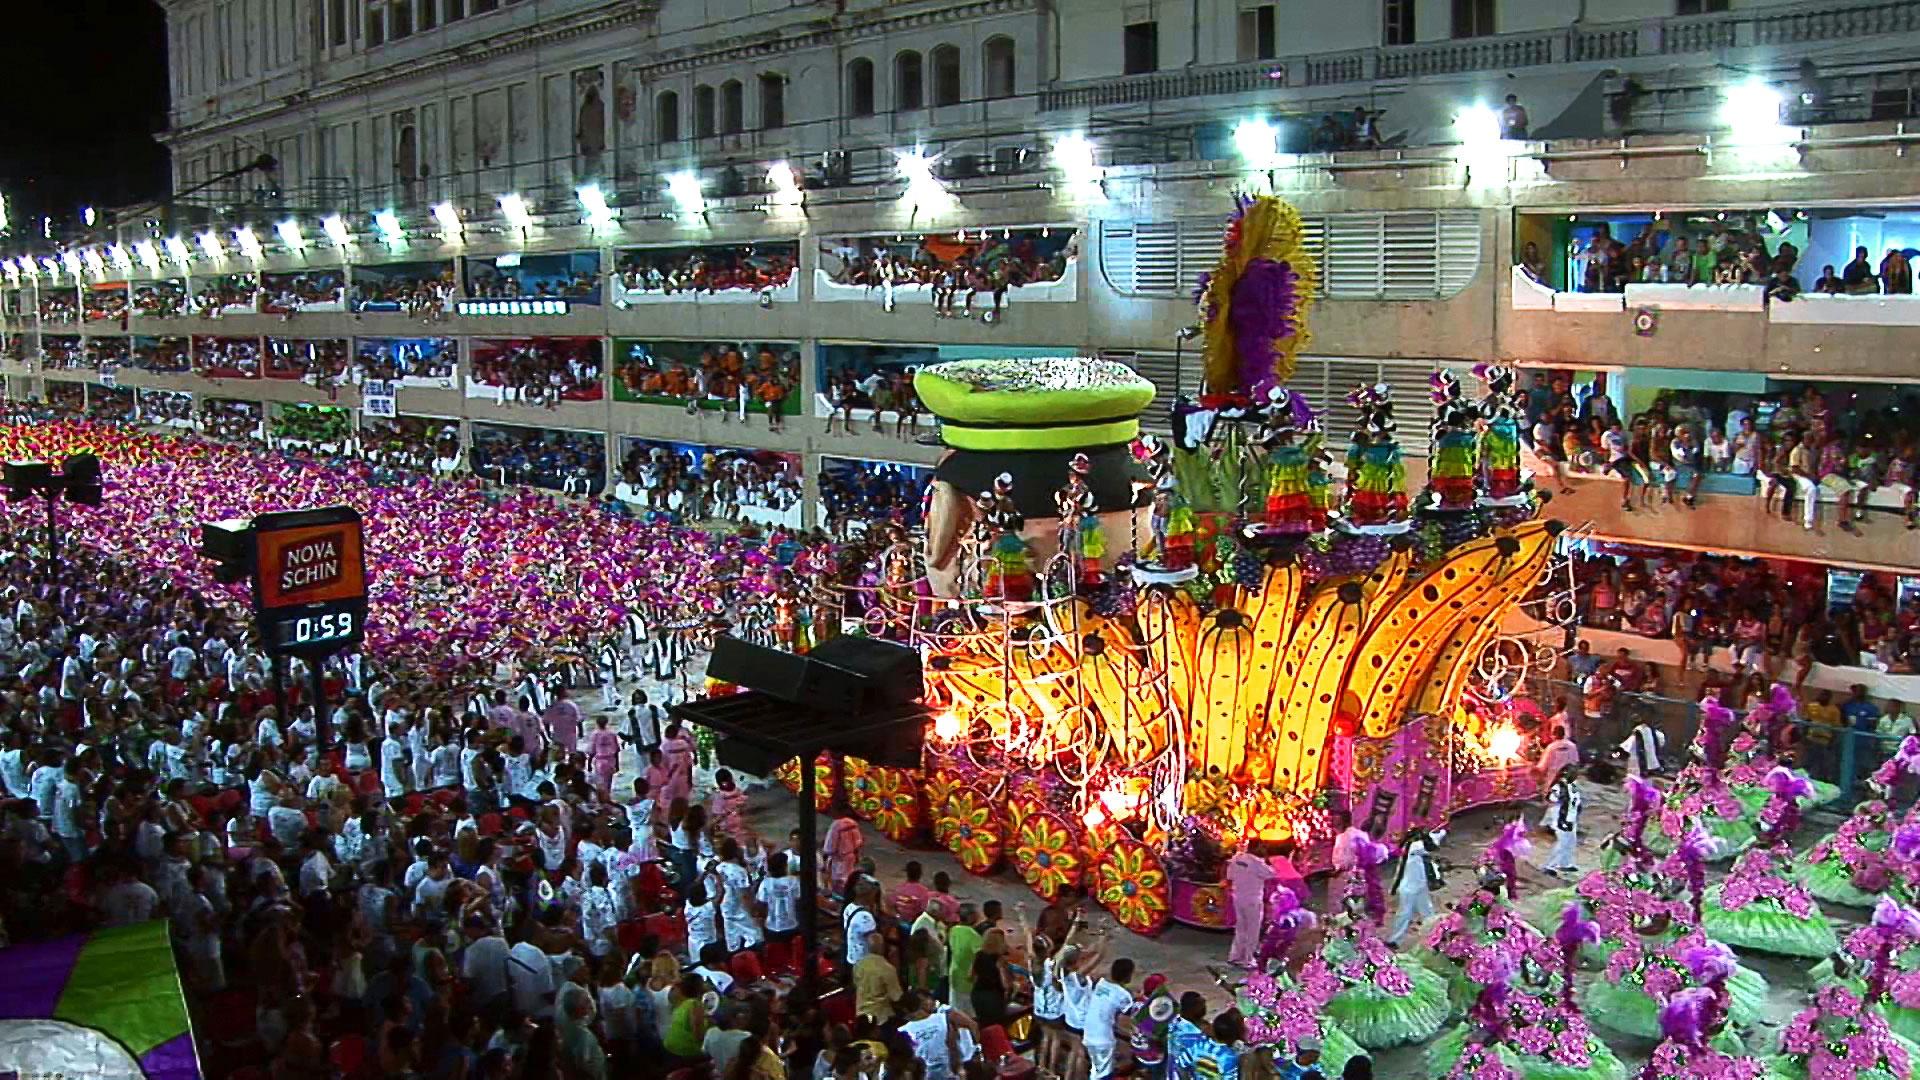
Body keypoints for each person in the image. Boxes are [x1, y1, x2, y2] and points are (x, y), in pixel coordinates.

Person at [1384, 828, 1445, 945]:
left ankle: (1396, 940)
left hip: (1411, 888)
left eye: (1397, 835)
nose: (1395, 838)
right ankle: (1437, 934)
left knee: (1407, 913)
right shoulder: (1414, 847)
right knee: (1427, 912)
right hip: (1417, 885)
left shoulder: (1413, 847)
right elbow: (1433, 843)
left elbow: (1431, 844)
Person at [1081, 958, 1136, 1080]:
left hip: (1089, 1033)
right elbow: (1130, 1013)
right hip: (1103, 1040)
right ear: (1128, 976)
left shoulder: (1101, 984)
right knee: (1103, 1074)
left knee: (1096, 1068)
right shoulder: (1123, 995)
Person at [1224, 844, 1276, 968]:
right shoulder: (1257, 863)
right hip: (1252, 900)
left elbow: (1229, 876)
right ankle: (1248, 959)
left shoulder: (1236, 859)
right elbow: (1271, 874)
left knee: (1240, 928)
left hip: (1238, 897)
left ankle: (1235, 956)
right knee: (1252, 930)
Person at [1539, 765, 1582, 876]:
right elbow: (1550, 798)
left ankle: (1565, 863)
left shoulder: (1573, 786)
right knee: (1562, 841)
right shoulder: (1559, 787)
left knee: (1571, 841)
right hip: (1561, 817)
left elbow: (1576, 800)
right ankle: (1549, 865)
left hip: (1572, 817)